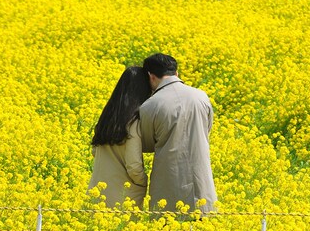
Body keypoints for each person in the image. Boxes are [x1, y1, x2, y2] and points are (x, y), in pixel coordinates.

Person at [139, 53, 217, 218]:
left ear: (151, 77)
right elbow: (207, 129)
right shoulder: (201, 96)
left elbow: (146, 144)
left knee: (169, 229)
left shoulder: (150, 105)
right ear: (176, 73)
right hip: (201, 181)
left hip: (169, 183)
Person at [88, 66, 151, 209]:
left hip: (97, 193)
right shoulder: (133, 122)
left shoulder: (106, 118)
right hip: (123, 198)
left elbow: (94, 152)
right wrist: (144, 182)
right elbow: (133, 166)